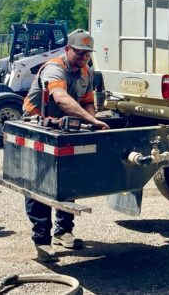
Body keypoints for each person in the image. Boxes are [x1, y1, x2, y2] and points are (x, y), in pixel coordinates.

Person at [23, 30, 109, 262]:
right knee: (39, 183)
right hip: (38, 125)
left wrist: (93, 124)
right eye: (79, 52)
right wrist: (91, 120)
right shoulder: (54, 68)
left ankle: (63, 231)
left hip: (66, 127)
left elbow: (88, 101)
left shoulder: (86, 71)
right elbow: (60, 98)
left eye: (87, 53)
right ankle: (41, 242)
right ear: (67, 49)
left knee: (69, 179)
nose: (83, 57)